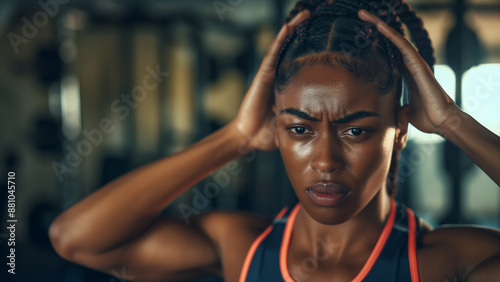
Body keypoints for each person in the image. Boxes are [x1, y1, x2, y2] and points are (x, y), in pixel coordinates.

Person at [48, 0, 500, 281]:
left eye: (356, 130)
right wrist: (235, 137)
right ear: (276, 129)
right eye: (299, 129)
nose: (325, 160)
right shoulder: (243, 250)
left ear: (400, 130)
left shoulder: (446, 264)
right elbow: (76, 238)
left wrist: (453, 122)